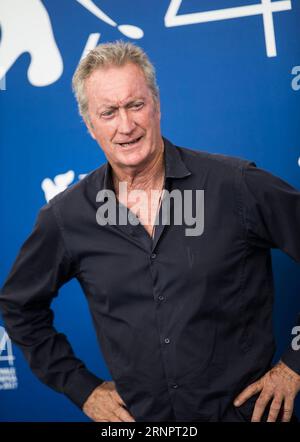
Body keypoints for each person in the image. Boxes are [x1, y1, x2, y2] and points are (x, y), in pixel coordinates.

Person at [1, 40, 300, 423]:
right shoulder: (67, 216)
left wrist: (293, 365)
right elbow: (19, 306)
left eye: (135, 105)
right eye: (108, 112)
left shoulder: (236, 185)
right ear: (90, 125)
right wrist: (82, 389)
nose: (126, 126)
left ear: (157, 105)